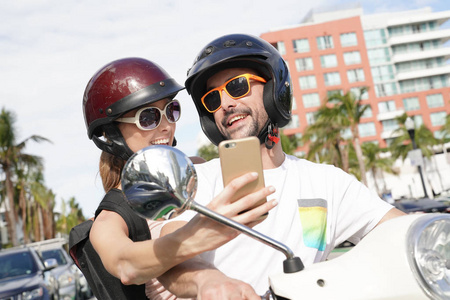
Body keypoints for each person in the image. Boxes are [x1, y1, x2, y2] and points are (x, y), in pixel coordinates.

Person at [158, 34, 406, 298]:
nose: (226, 105)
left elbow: (403, 231)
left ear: (272, 91)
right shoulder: (201, 180)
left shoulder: (326, 182)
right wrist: (206, 281)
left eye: (238, 86)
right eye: (213, 100)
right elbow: (170, 254)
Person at [79, 57, 277, 299]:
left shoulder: (196, 168)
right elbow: (124, 264)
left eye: (170, 111)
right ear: (111, 133)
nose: (166, 126)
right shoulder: (112, 215)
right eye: (148, 117)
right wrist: (193, 237)